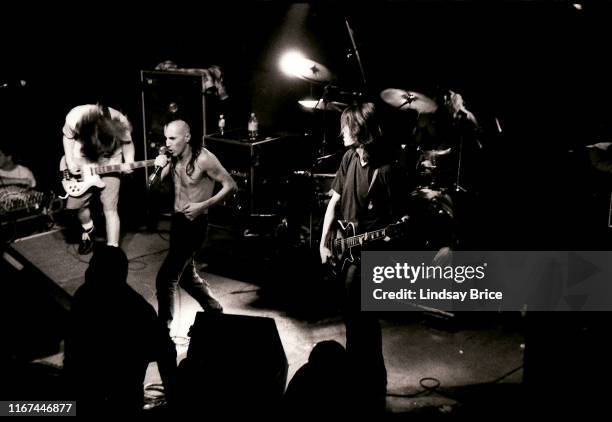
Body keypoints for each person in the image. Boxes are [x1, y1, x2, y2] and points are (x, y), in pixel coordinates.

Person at [319, 102, 410, 414]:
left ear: (361, 131)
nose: (342, 132)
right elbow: (335, 200)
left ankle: (371, 387)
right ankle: (362, 382)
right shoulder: (348, 158)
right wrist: (323, 241)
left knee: (363, 321)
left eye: (347, 126)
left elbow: (397, 224)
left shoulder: (386, 171)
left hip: (371, 255)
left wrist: (387, 237)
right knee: (353, 318)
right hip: (346, 247)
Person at [63, 245, 177, 416]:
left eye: (93, 267)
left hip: (101, 396)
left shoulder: (84, 296)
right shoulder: (139, 310)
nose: (87, 272)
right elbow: (166, 353)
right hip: (117, 396)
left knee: (12, 409)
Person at [152, 117, 236, 330]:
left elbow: (230, 185)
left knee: (166, 278)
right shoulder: (171, 159)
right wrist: (157, 168)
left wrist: (203, 205)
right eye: (166, 139)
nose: (168, 143)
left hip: (196, 224)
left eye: (173, 138)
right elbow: (151, 187)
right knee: (187, 277)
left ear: (187, 137)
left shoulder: (204, 159)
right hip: (178, 221)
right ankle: (215, 310)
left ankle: (163, 329)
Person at [62, 103, 135, 254]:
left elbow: (128, 144)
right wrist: (69, 161)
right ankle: (89, 228)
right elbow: (67, 137)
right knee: (75, 206)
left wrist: (129, 160)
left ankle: (112, 252)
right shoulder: (74, 117)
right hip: (82, 161)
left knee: (110, 209)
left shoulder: (120, 121)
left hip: (111, 163)